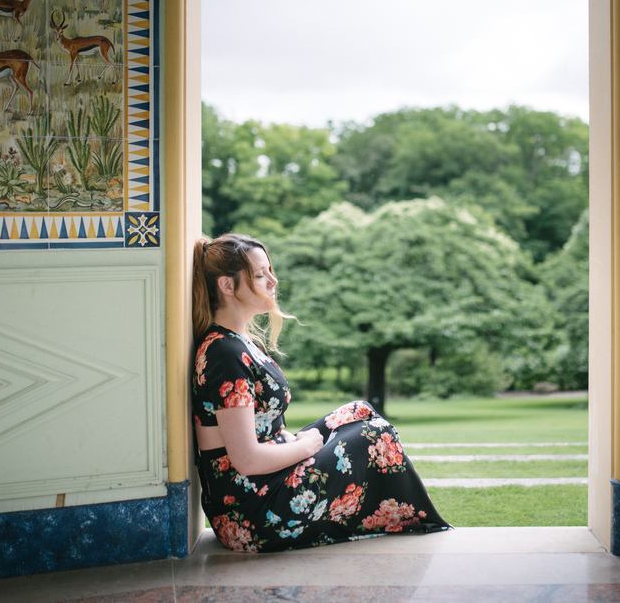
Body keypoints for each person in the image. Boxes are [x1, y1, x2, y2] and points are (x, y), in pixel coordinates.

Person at [191, 234, 451, 552]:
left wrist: (296, 442)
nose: (273, 281)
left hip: (270, 481)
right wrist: (308, 446)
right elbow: (247, 459)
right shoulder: (223, 352)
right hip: (250, 513)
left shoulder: (240, 343)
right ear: (227, 286)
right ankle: (406, 518)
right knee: (374, 435)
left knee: (359, 411)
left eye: (270, 270)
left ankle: (402, 516)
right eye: (260, 275)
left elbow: (266, 430)